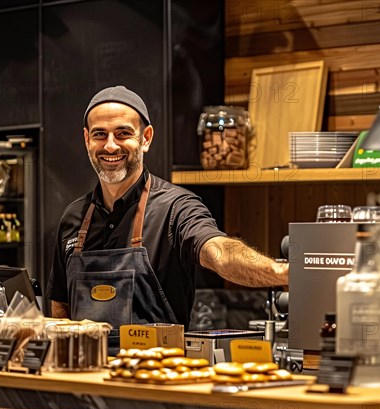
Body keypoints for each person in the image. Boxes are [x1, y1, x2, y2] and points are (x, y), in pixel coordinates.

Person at [46, 86, 288, 351]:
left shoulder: (177, 208)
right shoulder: (74, 218)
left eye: (123, 133)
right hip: (86, 379)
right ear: (86, 140)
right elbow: (60, 304)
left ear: (146, 138)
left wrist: (281, 272)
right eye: (99, 135)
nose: (110, 145)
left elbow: (220, 251)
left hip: (157, 379)